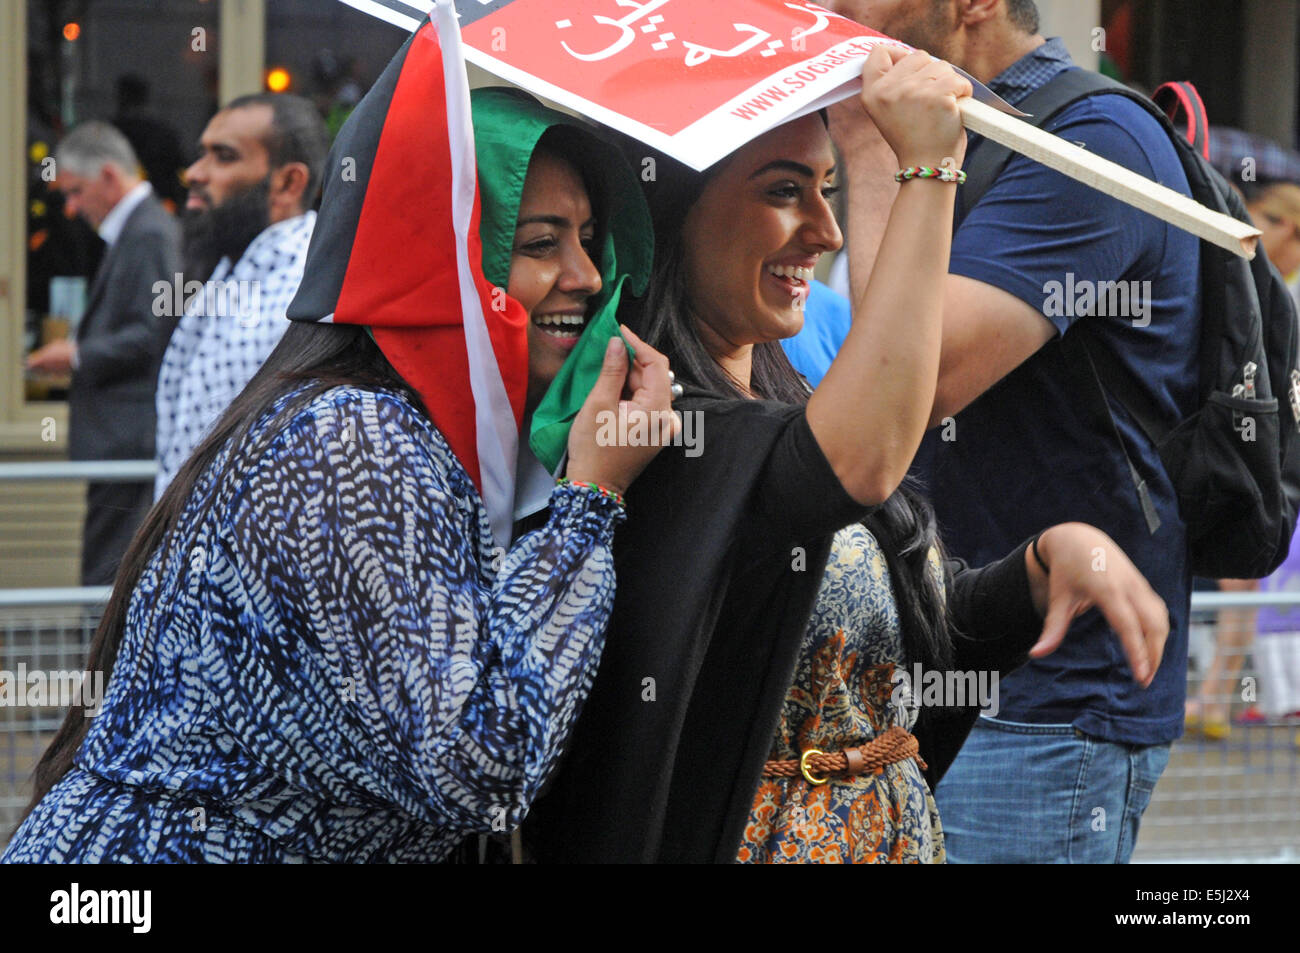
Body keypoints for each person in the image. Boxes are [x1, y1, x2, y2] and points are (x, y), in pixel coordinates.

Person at [2, 32, 673, 863]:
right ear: (443, 262)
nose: (586, 275)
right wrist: (591, 502)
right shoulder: (355, 436)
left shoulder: (417, 431)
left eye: (587, 238)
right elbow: (480, 763)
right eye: (538, 243)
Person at [527, 46, 1169, 864]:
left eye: (827, 190)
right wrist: (928, 171)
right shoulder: (651, 426)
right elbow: (855, 465)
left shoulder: (789, 396)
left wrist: (1045, 564)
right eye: (785, 191)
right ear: (677, 206)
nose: (825, 232)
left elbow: (891, 640)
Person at [782, 0, 1200, 864]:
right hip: (936, 665)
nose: (827, 7)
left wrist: (868, 140)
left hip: (1046, 703)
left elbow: (914, 382)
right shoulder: (956, 131)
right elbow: (875, 384)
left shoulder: (1093, 142)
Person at [25, 121, 181, 586]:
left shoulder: (148, 232)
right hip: (124, 435)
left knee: (108, 572)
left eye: (75, 192)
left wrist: (76, 356)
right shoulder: (142, 227)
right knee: (110, 565)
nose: (71, 209)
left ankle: (100, 658)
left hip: (129, 436)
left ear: (109, 176)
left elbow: (154, 332)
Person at [153, 93, 329, 498]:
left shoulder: (306, 294)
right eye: (202, 154)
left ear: (287, 183)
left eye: (224, 156)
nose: (196, 173)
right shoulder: (229, 267)